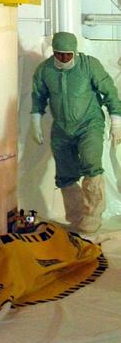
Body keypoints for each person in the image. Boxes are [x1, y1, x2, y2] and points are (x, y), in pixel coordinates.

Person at [31, 30, 121, 234]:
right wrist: (35, 121)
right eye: (59, 54)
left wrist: (116, 121)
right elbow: (38, 96)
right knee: (65, 173)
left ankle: (93, 214)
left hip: (89, 124)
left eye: (68, 54)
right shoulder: (45, 71)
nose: (63, 58)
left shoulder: (89, 65)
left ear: (75, 51)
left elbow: (109, 91)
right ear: (53, 51)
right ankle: (76, 215)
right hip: (62, 128)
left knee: (91, 164)